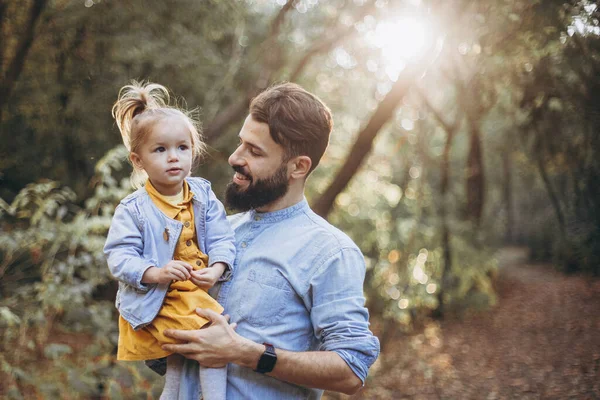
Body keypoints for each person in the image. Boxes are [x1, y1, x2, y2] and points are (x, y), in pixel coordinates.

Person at [161, 82, 380, 399]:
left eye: (254, 151)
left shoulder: (331, 251)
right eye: (241, 143)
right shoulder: (215, 231)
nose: (235, 158)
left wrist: (244, 352)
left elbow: (351, 370)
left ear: (298, 166)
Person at [104, 81, 236, 400]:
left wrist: (217, 268)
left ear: (194, 149)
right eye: (160, 150)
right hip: (159, 297)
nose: (173, 157)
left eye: (182, 147)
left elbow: (222, 236)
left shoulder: (202, 194)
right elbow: (119, 256)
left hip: (196, 290)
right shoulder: (134, 209)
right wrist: (156, 272)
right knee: (213, 340)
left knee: (179, 361)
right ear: (138, 160)